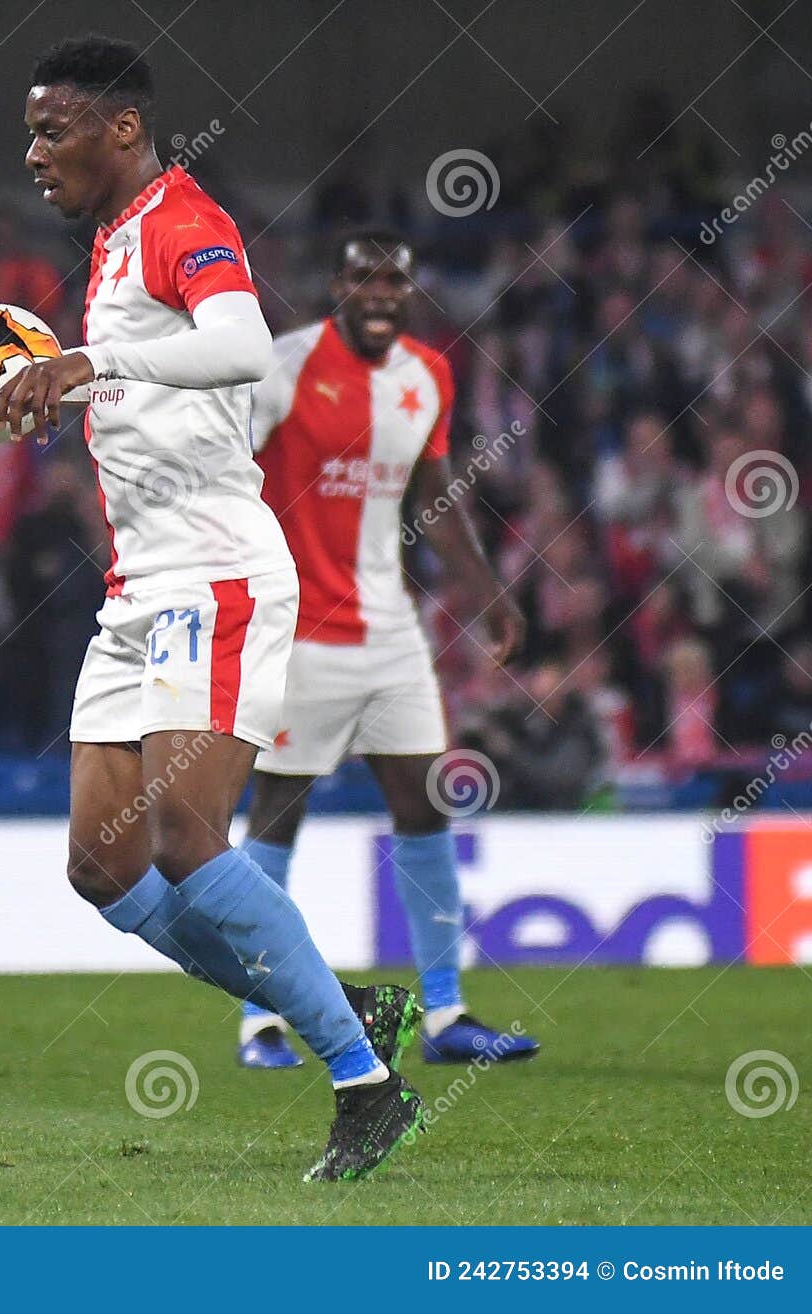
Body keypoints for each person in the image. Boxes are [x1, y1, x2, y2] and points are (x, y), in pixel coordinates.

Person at [0, 36, 425, 1182]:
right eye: (28, 132)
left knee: (183, 834)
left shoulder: (178, 216)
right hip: (140, 587)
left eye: (51, 129)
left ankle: (366, 1083)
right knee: (103, 864)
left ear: (120, 129)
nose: (33, 153)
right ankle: (340, 1005)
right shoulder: (114, 245)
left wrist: (83, 359)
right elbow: (116, 361)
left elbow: (242, 343)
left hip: (215, 571)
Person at [235, 231, 541, 1068]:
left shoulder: (427, 375)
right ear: (337, 285)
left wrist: (487, 594)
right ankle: (259, 1023)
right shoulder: (284, 366)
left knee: (424, 802)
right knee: (277, 817)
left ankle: (445, 1015)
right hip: (299, 631)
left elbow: (433, 496)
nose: (379, 294)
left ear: (409, 292)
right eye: (364, 279)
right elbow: (227, 467)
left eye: (394, 282)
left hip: (392, 631)